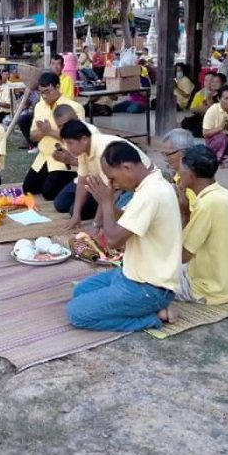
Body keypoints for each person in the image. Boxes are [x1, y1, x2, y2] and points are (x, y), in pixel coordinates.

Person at [66, 141, 182, 332]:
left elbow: (113, 241)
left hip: (149, 287)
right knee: (80, 291)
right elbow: (126, 221)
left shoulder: (151, 194)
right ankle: (150, 308)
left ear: (127, 167)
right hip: (132, 274)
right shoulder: (151, 185)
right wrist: (108, 202)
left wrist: (105, 202)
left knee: (76, 313)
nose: (113, 185)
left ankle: (152, 318)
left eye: (113, 178)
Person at [168, 145, 228, 311]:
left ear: (190, 174)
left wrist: (183, 215)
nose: (177, 175)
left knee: (146, 273)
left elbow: (183, 256)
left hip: (207, 290)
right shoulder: (225, 194)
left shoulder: (206, 204)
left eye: (179, 170)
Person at [54, 119, 151, 225]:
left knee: (122, 220)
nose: (68, 148)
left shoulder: (103, 151)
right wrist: (76, 215)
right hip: (117, 184)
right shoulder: (83, 151)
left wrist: (96, 224)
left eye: (70, 143)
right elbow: (82, 183)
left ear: (84, 139)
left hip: (137, 182)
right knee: (69, 208)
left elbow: (107, 190)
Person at [22, 72, 84, 200]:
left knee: (48, 193)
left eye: (47, 92)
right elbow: (32, 136)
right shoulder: (39, 106)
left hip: (63, 158)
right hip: (44, 157)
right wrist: (43, 132)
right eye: (41, 93)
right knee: (28, 188)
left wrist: (49, 131)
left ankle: (73, 179)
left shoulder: (74, 107)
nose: (44, 96)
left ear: (58, 87)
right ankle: (51, 179)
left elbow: (77, 139)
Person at [161, 128, 198, 215]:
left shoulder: (193, 181)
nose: (165, 159)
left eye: (168, 154)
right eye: (163, 154)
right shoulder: (178, 176)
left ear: (183, 152)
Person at [180, 73, 219, 137]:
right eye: (206, 80)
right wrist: (200, 108)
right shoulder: (200, 93)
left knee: (197, 131)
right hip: (201, 117)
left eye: (211, 81)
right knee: (185, 123)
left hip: (213, 120)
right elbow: (192, 109)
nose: (208, 83)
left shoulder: (219, 94)